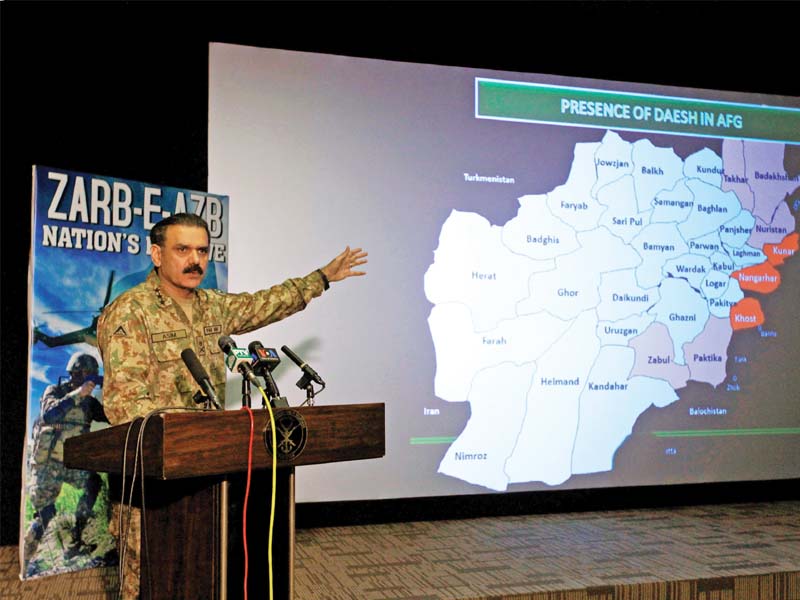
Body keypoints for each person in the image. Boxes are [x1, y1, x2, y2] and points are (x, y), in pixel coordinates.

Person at [96, 211, 367, 598]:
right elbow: (124, 401)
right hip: (151, 480)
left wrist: (320, 279)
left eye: (203, 251)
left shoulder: (212, 306)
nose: (195, 260)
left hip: (206, 470)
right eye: (183, 249)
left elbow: (265, 303)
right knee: (147, 580)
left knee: (204, 571)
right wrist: (180, 437)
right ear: (156, 255)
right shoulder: (130, 311)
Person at [23, 352, 110, 575]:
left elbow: (110, 415)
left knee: (93, 484)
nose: (87, 379)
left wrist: (112, 391)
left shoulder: (89, 403)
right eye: (84, 374)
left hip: (71, 465)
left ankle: (73, 544)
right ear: (74, 374)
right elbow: (49, 415)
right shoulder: (55, 392)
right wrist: (77, 394)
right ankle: (25, 560)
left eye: (91, 376)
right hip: (48, 465)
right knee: (45, 513)